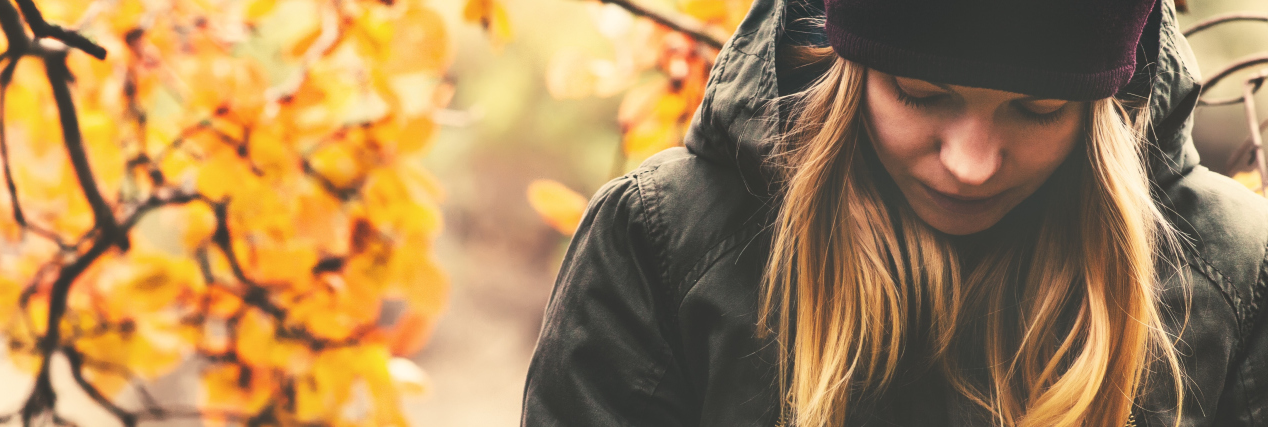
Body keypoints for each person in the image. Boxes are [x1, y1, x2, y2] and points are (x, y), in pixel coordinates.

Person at [521, 0, 1268, 425]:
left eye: (1037, 110)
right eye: (922, 95)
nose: (972, 162)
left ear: (1103, 109)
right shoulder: (659, 244)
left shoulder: (1236, 280)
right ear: (848, 69)